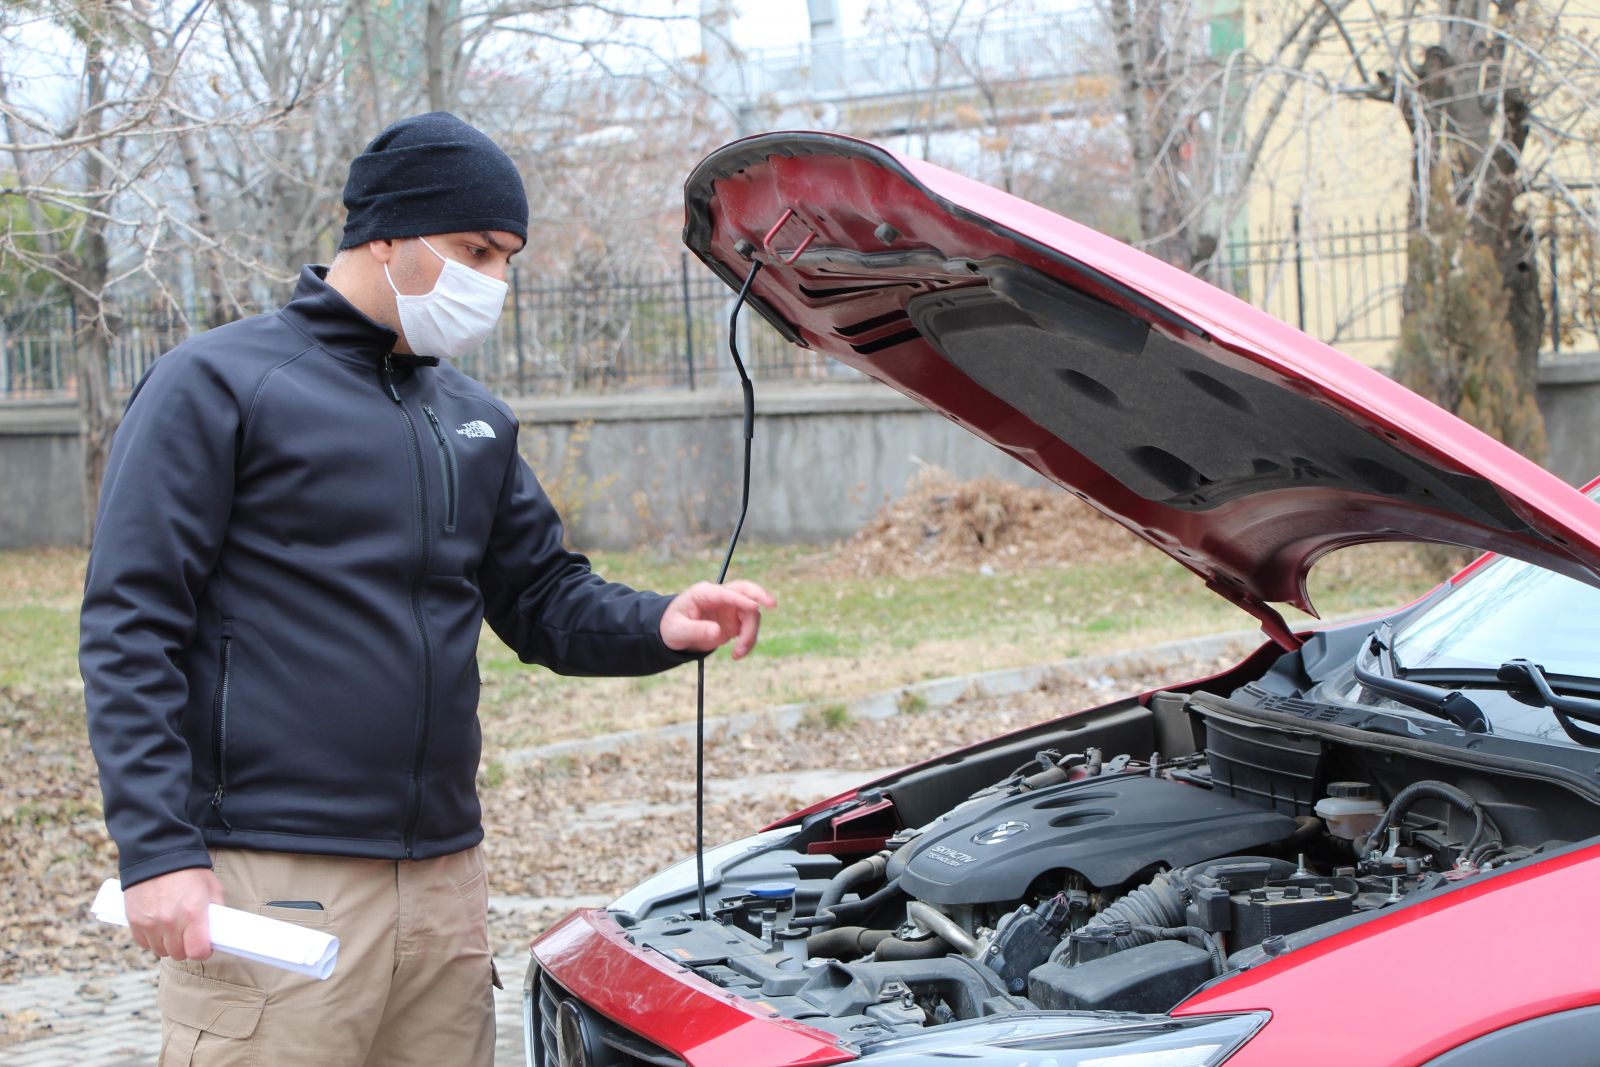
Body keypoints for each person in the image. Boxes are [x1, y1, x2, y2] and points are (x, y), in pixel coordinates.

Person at [80, 111, 774, 1066]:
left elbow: (543, 599)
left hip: (444, 882)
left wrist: (662, 620)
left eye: (506, 258)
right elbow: (130, 625)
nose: (493, 280)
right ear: (387, 234)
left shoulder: (474, 417)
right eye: (473, 249)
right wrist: (158, 850)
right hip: (275, 872)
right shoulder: (219, 384)